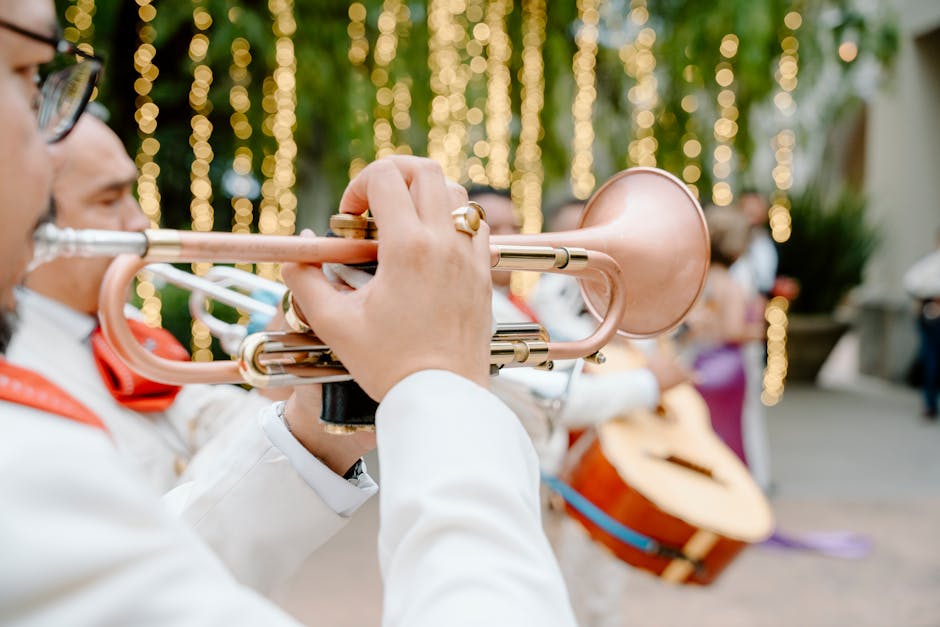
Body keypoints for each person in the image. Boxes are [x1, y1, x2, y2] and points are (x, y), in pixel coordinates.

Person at [0, 4, 576, 625]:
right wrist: (442, 388)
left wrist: (318, 417)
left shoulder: (120, 342)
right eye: (33, 74)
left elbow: (159, 556)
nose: (46, 152)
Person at [8, 112, 378, 594]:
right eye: (108, 199)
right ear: (23, 220)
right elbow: (134, 573)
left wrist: (288, 358)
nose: (138, 221)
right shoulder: (18, 373)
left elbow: (217, 429)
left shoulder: (124, 330)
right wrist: (315, 429)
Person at [469, 189, 688, 627]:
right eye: (495, 227)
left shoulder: (513, 303)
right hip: (526, 478)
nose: (510, 237)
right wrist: (650, 382)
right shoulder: (486, 310)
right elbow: (561, 400)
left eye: (515, 226)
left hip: (558, 471)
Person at [681, 205, 766, 466]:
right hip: (728, 366)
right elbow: (732, 330)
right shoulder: (732, 287)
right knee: (729, 436)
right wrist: (759, 330)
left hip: (699, 362)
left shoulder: (696, 281)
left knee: (700, 432)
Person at [729, 189, 777, 491]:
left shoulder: (759, 252)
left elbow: (759, 298)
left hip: (741, 343)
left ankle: (757, 476)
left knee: (748, 410)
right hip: (736, 341)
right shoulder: (742, 253)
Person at [903, 228, 940, 420]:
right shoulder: (930, 262)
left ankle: (930, 404)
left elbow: (911, 282)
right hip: (931, 315)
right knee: (931, 359)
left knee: (931, 358)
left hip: (929, 315)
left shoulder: (929, 263)